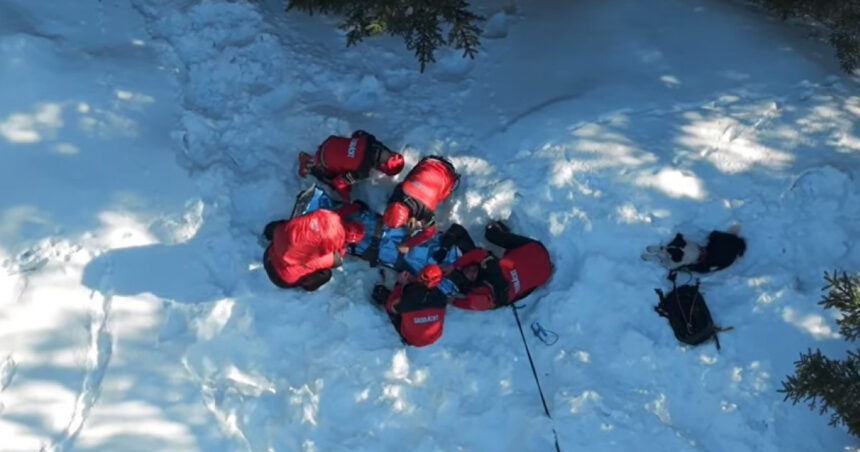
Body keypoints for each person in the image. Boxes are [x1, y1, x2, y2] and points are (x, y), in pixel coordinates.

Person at [446, 221, 553, 311]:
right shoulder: (493, 279)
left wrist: (455, 266)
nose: (471, 270)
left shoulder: (493, 272)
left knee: (491, 234)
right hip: (537, 257)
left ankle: (498, 230)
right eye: (471, 273)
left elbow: (471, 303)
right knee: (491, 235)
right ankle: (500, 232)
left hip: (538, 260)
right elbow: (472, 303)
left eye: (470, 268)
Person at [262, 205, 366, 291]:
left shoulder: (329, 217)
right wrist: (342, 249)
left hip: (270, 253)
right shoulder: (333, 253)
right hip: (281, 278)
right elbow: (336, 259)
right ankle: (308, 287)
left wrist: (353, 206)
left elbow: (338, 213)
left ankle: (268, 232)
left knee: (291, 228)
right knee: (325, 274)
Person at [298, 130, 404, 202]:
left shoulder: (372, 141)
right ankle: (309, 167)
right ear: (382, 167)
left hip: (330, 142)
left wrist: (351, 152)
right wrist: (347, 199)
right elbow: (339, 183)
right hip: (323, 160)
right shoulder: (362, 171)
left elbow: (357, 133)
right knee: (331, 181)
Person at [382, 155, 459, 254]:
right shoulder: (402, 190)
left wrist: (408, 244)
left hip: (448, 173)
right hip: (429, 162)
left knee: (439, 197)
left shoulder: (425, 211)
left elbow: (429, 233)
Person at [372, 265, 448, 347]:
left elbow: (391, 307)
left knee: (386, 298)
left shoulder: (409, 298)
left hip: (411, 338)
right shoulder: (442, 298)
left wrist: (400, 285)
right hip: (433, 337)